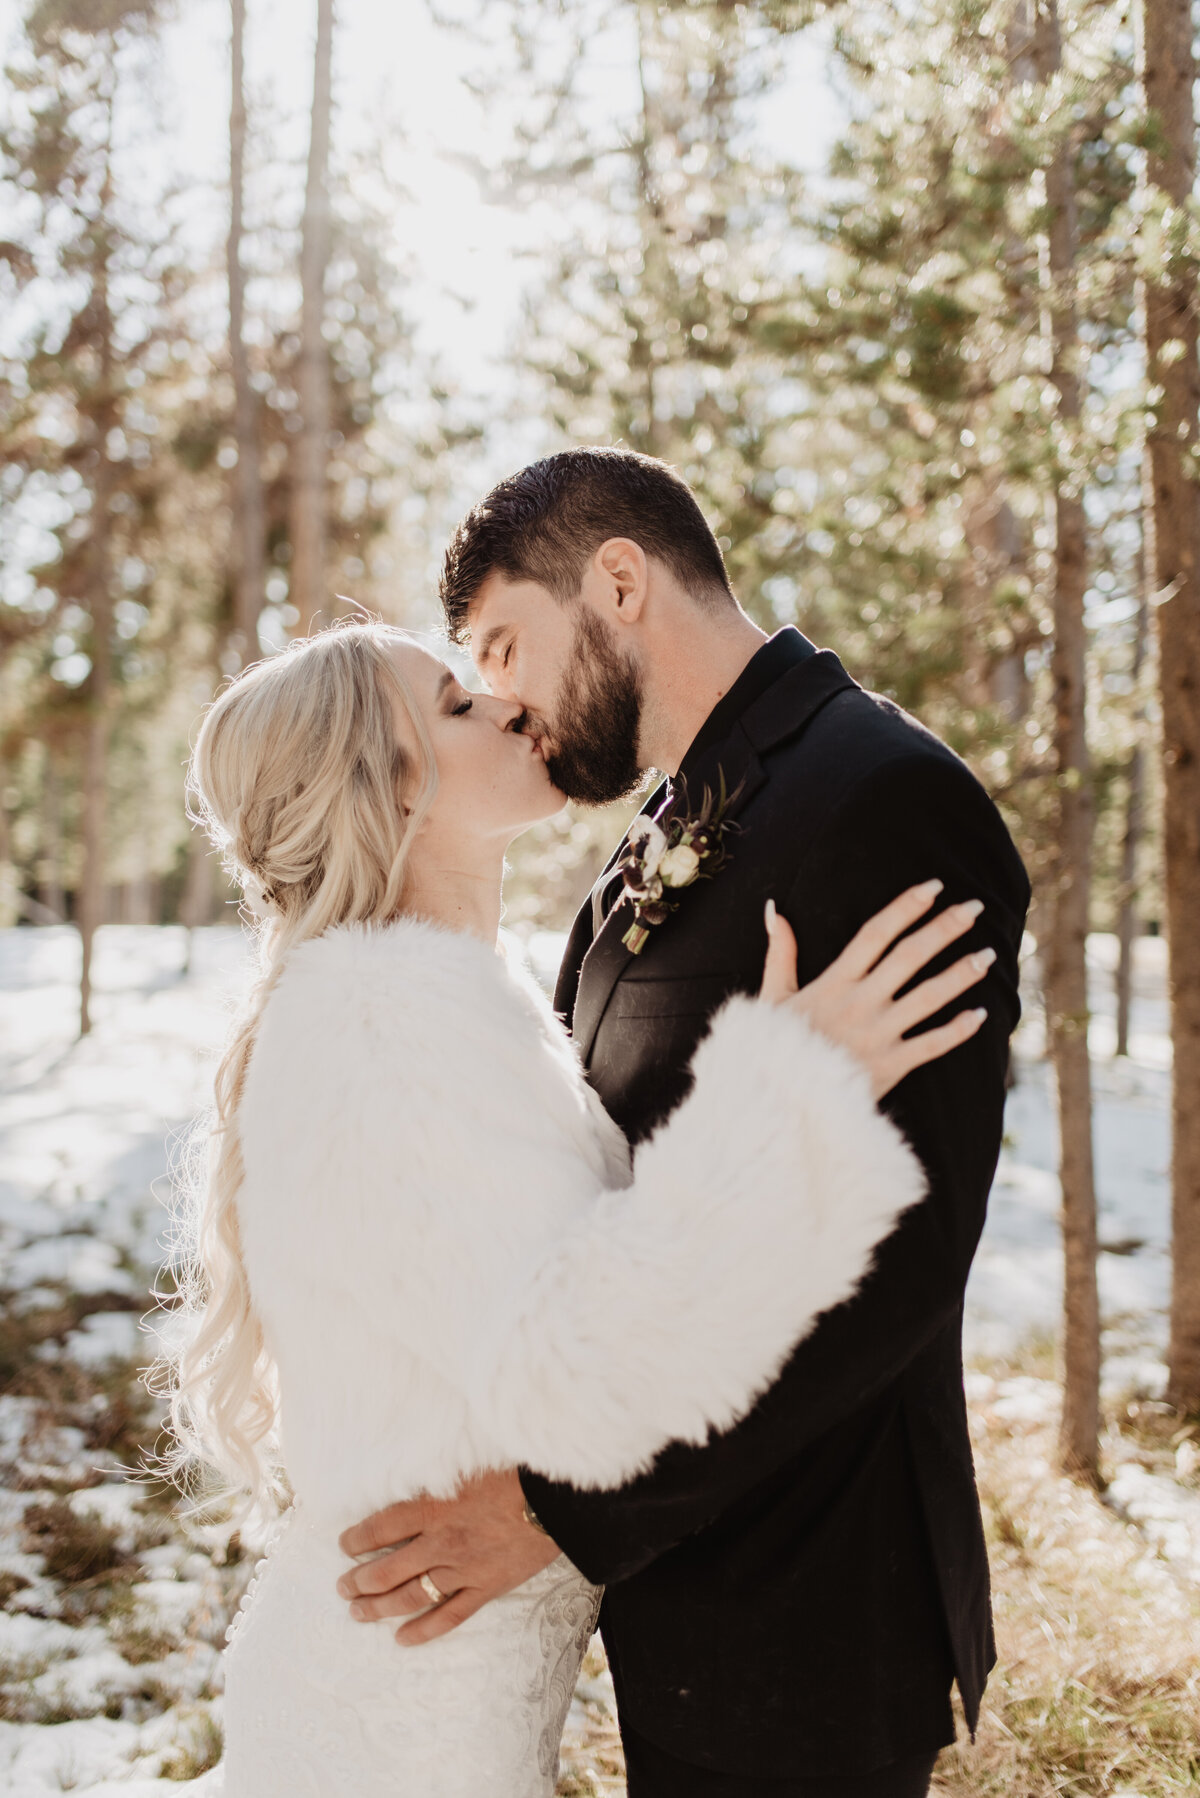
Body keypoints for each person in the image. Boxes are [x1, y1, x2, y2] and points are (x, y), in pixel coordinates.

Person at [161, 618, 993, 1798]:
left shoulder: (452, 1001)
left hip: (433, 1681)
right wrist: (785, 1086)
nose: (505, 702)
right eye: (455, 704)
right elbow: (578, 1378)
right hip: (389, 1723)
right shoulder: (386, 1024)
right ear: (389, 789)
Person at [335, 449, 1032, 1798]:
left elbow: (900, 1266)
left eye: (504, 645)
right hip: (676, 1597)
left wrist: (563, 1511)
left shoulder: (888, 797)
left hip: (813, 1603)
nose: (506, 697)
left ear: (617, 580)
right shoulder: (654, 823)